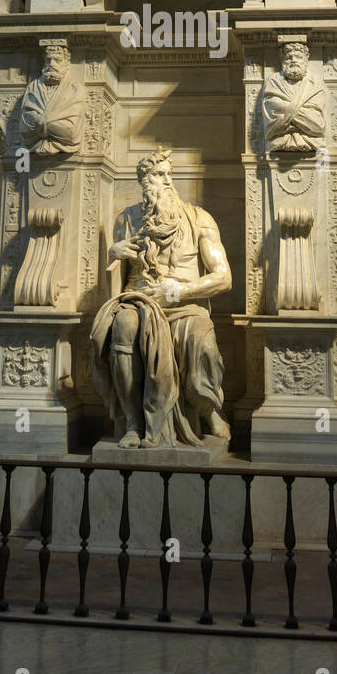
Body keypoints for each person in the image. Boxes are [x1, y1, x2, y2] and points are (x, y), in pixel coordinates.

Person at [90, 146, 230, 448]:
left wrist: (180, 290)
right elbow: (115, 278)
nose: (166, 182)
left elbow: (223, 277)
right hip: (139, 301)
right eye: (158, 175)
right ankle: (133, 422)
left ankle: (208, 409)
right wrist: (114, 253)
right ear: (144, 182)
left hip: (185, 304)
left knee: (201, 343)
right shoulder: (126, 220)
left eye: (169, 175)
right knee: (122, 328)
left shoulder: (198, 218)